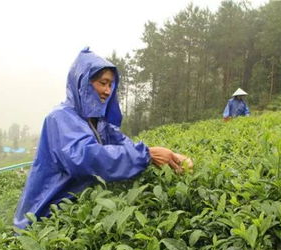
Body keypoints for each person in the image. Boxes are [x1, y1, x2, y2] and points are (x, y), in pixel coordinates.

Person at [14, 47, 191, 230]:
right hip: (43, 218)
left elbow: (123, 144)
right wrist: (146, 154)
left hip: (73, 213)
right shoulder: (60, 118)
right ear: (83, 84)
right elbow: (86, 158)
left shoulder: (98, 123)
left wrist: (172, 157)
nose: (107, 91)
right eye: (102, 83)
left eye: (110, 84)